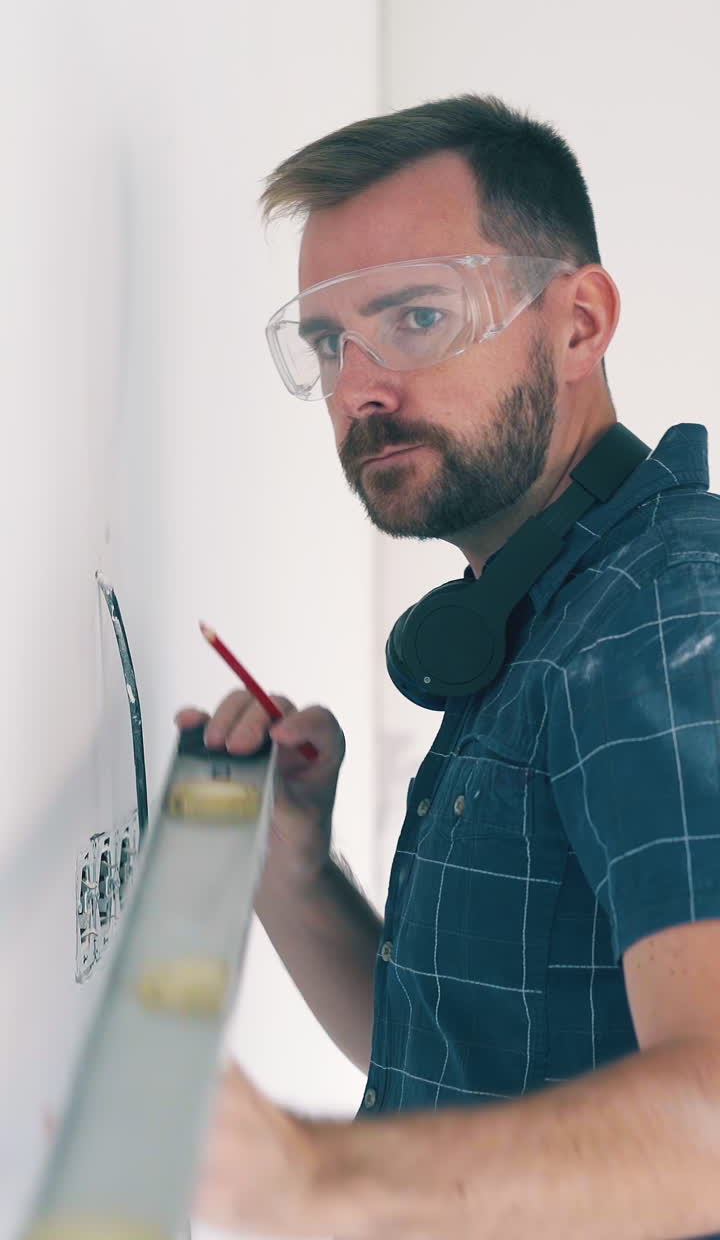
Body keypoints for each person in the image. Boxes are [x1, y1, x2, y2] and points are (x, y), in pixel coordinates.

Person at [175, 94, 720, 1238]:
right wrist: (291, 869)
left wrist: (314, 1176)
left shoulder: (663, 615)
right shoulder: (541, 609)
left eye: (416, 316)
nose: (360, 385)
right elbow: (465, 1060)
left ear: (578, 323)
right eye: (330, 341)